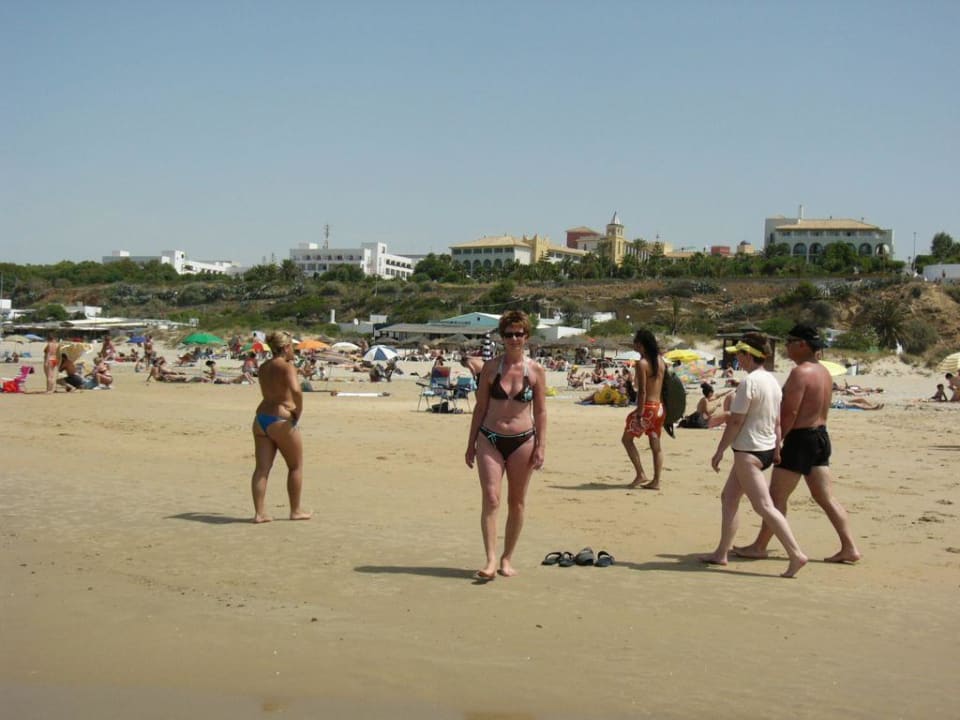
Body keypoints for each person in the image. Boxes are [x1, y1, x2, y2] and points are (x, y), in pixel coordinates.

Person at [734, 324, 861, 565]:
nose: (786, 347)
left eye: (790, 341)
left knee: (776, 497)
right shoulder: (823, 372)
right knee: (825, 497)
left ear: (803, 344)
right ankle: (849, 546)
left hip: (801, 438)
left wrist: (777, 440)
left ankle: (760, 546)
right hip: (820, 436)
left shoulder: (800, 373)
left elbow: (790, 412)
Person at [701, 332, 808, 578]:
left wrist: (719, 451)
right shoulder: (771, 380)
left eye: (739, 354)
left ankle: (796, 554)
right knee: (729, 498)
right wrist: (778, 449)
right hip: (765, 448)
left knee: (764, 506)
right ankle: (721, 553)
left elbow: (737, 421)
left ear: (748, 356)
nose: (737, 359)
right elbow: (776, 420)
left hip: (749, 451)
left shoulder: (750, 383)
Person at [465, 310, 547, 580]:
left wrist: (541, 446)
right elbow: (480, 407)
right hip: (489, 437)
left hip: (523, 440)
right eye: (509, 334)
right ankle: (489, 560)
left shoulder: (535, 371)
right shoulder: (490, 368)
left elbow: (542, 411)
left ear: (527, 337)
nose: (514, 339)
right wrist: (470, 444)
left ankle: (507, 558)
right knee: (491, 498)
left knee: (517, 502)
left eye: (519, 334)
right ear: (502, 337)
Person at [250, 331, 311, 523]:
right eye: (292, 346)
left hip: (261, 418)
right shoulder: (286, 366)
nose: (294, 350)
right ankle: (295, 510)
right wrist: (298, 411)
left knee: (261, 469)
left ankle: (259, 513)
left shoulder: (264, 366)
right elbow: (296, 390)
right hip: (281, 418)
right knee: (295, 466)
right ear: (285, 348)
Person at [622, 329, 666, 490]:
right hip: (659, 408)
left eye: (636, 344)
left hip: (647, 407)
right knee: (656, 445)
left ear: (641, 345)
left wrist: (639, 413)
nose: (635, 347)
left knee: (626, 440)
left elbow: (642, 391)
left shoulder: (642, 364)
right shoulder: (661, 361)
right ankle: (656, 481)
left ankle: (640, 473)